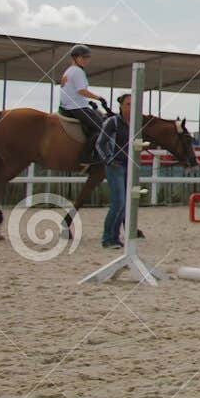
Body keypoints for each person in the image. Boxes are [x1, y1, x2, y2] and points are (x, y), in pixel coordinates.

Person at [97, 92, 133, 249]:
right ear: (121, 105)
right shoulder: (113, 122)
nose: (131, 108)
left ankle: (115, 237)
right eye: (128, 104)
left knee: (124, 204)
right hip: (115, 166)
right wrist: (108, 160)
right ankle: (107, 238)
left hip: (128, 166)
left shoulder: (135, 124)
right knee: (118, 202)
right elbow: (100, 143)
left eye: (133, 105)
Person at [57, 44, 109, 151]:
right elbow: (81, 91)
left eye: (87, 58)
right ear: (75, 58)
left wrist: (89, 102)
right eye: (83, 57)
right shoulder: (77, 71)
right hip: (76, 107)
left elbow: (73, 91)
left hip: (69, 106)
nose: (86, 60)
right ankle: (87, 154)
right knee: (102, 128)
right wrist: (99, 98)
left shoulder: (69, 71)